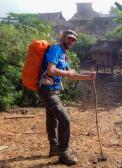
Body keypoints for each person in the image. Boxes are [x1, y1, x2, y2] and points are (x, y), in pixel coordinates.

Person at [37, 30, 96, 166]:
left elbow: (71, 75)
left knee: (52, 118)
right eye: (69, 38)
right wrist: (67, 72)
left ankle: (54, 148)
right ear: (63, 37)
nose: (71, 41)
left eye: (73, 40)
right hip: (47, 90)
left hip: (53, 90)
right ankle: (64, 154)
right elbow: (51, 70)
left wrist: (88, 77)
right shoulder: (56, 50)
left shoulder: (63, 55)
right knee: (65, 119)